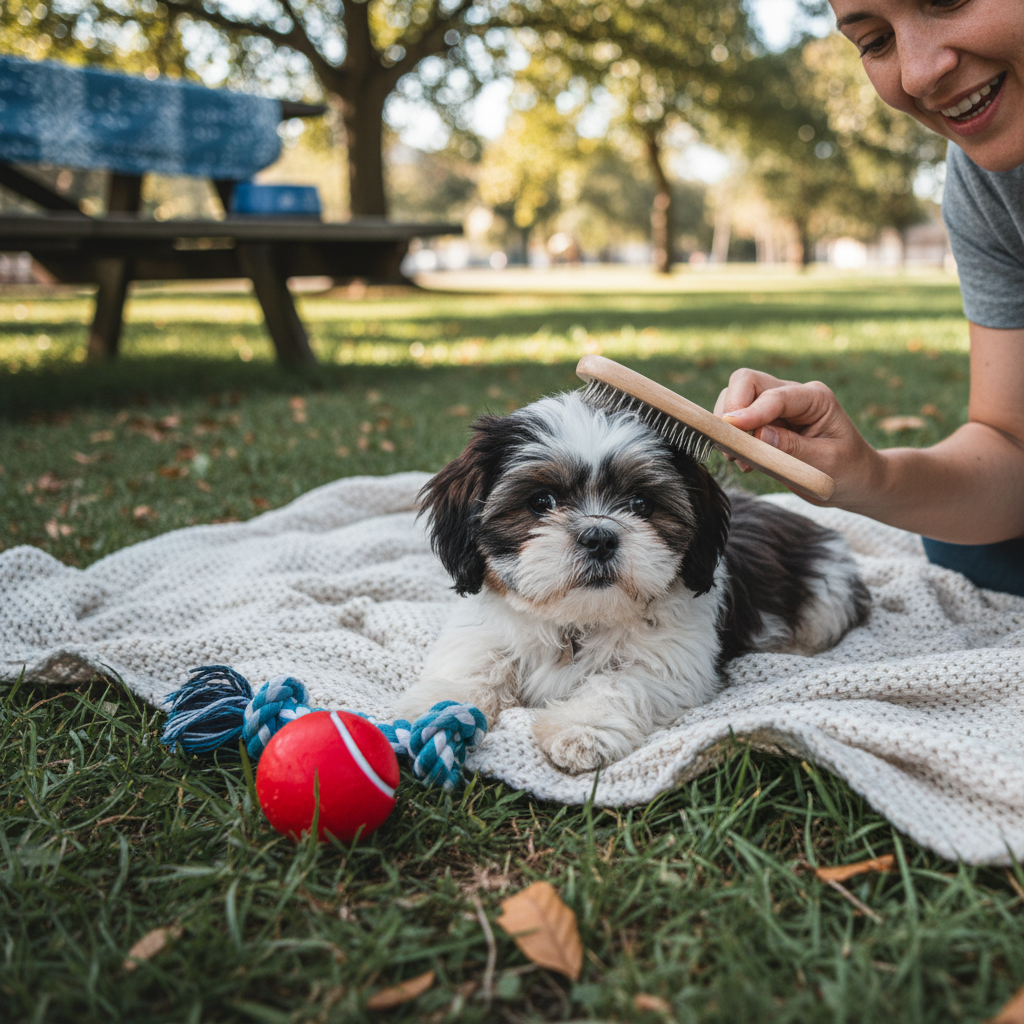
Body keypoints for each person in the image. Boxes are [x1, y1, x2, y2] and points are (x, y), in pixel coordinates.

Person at [714, 0, 1024, 596]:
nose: (918, 74)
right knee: (961, 538)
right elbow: (1012, 443)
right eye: (877, 41)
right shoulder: (987, 183)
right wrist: (867, 476)